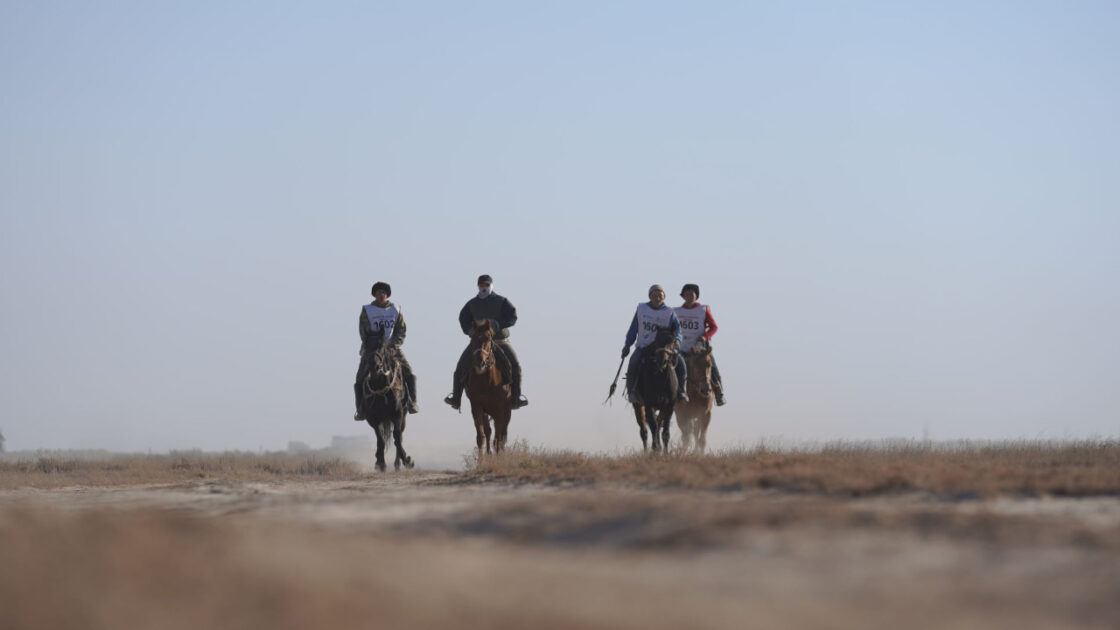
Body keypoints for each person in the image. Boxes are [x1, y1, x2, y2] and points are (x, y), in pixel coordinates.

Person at [444, 274, 528, 410]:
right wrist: (469, 330)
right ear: (478, 286)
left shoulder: (501, 301)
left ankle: (516, 397)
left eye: (486, 285)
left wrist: (498, 324)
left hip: (500, 340)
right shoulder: (472, 304)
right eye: (481, 285)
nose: (484, 288)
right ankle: (456, 398)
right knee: (460, 366)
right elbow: (463, 318)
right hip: (479, 343)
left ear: (491, 285)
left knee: (515, 364)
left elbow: (513, 316)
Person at [354, 281, 418, 420]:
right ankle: (360, 409)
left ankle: (413, 402)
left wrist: (394, 345)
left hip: (391, 348)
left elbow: (401, 330)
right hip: (373, 349)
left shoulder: (395, 309)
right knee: (360, 377)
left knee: (409, 372)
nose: (381, 295)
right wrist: (369, 346)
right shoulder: (367, 310)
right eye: (378, 293)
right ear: (374, 295)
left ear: (387, 295)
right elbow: (363, 330)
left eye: (383, 292)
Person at [621, 284, 688, 404]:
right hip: (644, 345)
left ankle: (681, 391)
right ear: (650, 296)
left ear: (664, 297)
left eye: (660, 295)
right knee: (633, 362)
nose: (657, 297)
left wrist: (677, 340)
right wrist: (627, 344)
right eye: (654, 295)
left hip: (663, 347)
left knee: (681, 363)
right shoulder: (642, 309)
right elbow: (633, 328)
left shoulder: (669, 312)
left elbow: (678, 330)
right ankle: (632, 392)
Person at [675, 283, 726, 406]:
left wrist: (705, 336)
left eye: (692, 294)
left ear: (696, 296)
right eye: (686, 294)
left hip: (700, 349)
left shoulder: (703, 309)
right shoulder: (676, 311)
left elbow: (714, 327)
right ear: (683, 296)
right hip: (682, 348)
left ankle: (719, 393)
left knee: (712, 368)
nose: (689, 296)